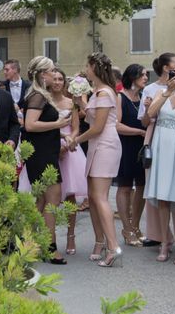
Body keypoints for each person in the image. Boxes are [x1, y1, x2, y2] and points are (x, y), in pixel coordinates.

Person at [74, 52, 122, 267]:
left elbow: (98, 127)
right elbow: (92, 116)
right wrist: (80, 103)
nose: (85, 68)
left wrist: (76, 139)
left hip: (105, 144)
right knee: (93, 197)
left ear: (95, 67)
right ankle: (100, 241)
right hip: (97, 144)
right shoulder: (97, 93)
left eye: (88, 65)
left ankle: (113, 247)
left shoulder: (104, 93)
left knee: (101, 197)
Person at [22, 56, 72, 264]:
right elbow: (30, 125)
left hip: (45, 152)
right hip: (42, 156)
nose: (54, 74)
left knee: (42, 202)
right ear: (43, 75)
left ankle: (30, 244)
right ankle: (50, 248)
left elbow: (40, 127)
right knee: (52, 201)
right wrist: (59, 125)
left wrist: (61, 134)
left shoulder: (40, 95)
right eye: (52, 71)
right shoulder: (37, 97)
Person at [145, 60, 175, 264]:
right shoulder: (161, 92)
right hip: (161, 147)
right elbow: (150, 114)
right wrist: (168, 91)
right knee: (162, 197)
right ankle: (165, 242)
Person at [138, 52, 175, 247]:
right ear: (166, 68)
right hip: (156, 137)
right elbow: (145, 121)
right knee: (155, 185)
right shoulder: (150, 89)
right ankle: (158, 234)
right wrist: (148, 108)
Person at [50, 68, 87, 255]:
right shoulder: (44, 101)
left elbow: (75, 127)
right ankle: (50, 237)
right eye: (54, 78)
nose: (57, 82)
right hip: (49, 147)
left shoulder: (70, 103)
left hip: (69, 148)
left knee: (70, 196)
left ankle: (71, 236)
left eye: (60, 79)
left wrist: (68, 141)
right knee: (50, 198)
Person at [115, 64, 147, 247]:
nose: (145, 77)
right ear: (132, 77)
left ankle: (135, 225)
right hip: (126, 145)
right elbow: (116, 125)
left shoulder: (143, 97)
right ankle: (126, 228)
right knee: (125, 187)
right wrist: (138, 132)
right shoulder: (120, 97)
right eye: (142, 75)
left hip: (142, 147)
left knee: (141, 186)